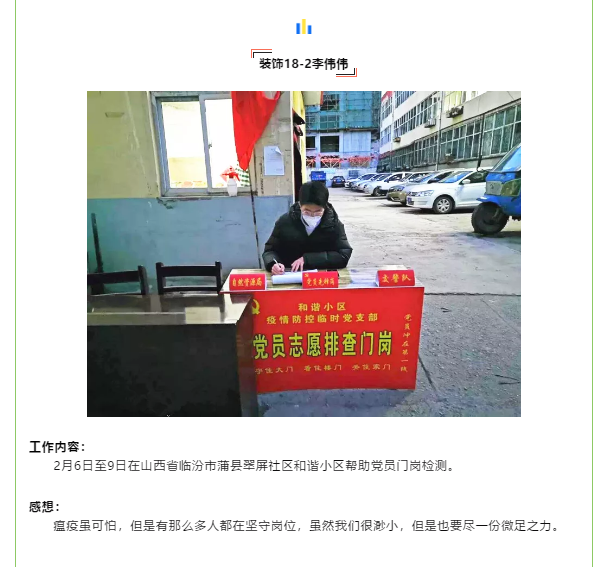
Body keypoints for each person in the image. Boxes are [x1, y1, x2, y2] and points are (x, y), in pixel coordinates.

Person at [263, 181, 353, 275]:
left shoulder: (333, 224)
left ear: (325, 207)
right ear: (300, 205)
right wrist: (273, 263)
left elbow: (343, 255)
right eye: (307, 211)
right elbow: (270, 250)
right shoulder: (285, 222)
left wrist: (307, 259)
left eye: (318, 211)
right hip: (289, 275)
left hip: (321, 276)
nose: (312, 215)